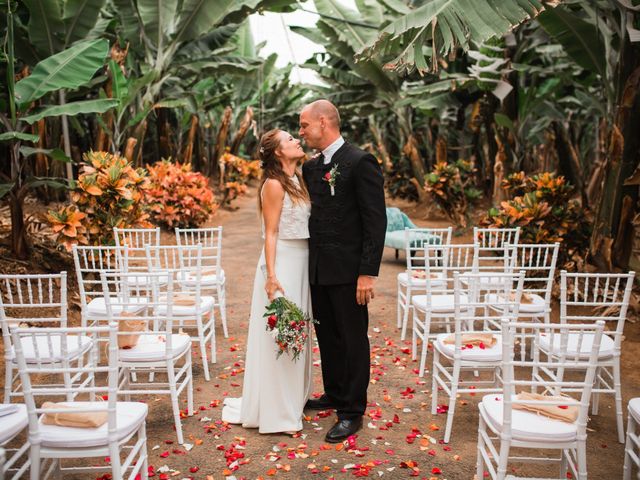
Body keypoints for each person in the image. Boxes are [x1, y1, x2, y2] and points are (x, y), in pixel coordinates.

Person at [300, 100, 386, 442]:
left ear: (324, 122)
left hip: (351, 273)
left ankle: (352, 411)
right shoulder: (309, 167)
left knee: (352, 340)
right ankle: (335, 394)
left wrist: (367, 273)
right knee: (329, 337)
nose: (302, 131)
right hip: (318, 270)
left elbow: (374, 221)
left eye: (305, 125)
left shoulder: (361, 161)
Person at [221, 129, 313, 434]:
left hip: (301, 260)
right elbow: (270, 233)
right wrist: (272, 276)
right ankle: (278, 414)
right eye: (290, 139)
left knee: (296, 334)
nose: (297, 140)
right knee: (283, 335)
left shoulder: (298, 179)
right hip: (282, 263)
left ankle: (290, 404)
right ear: (277, 152)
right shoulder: (274, 185)